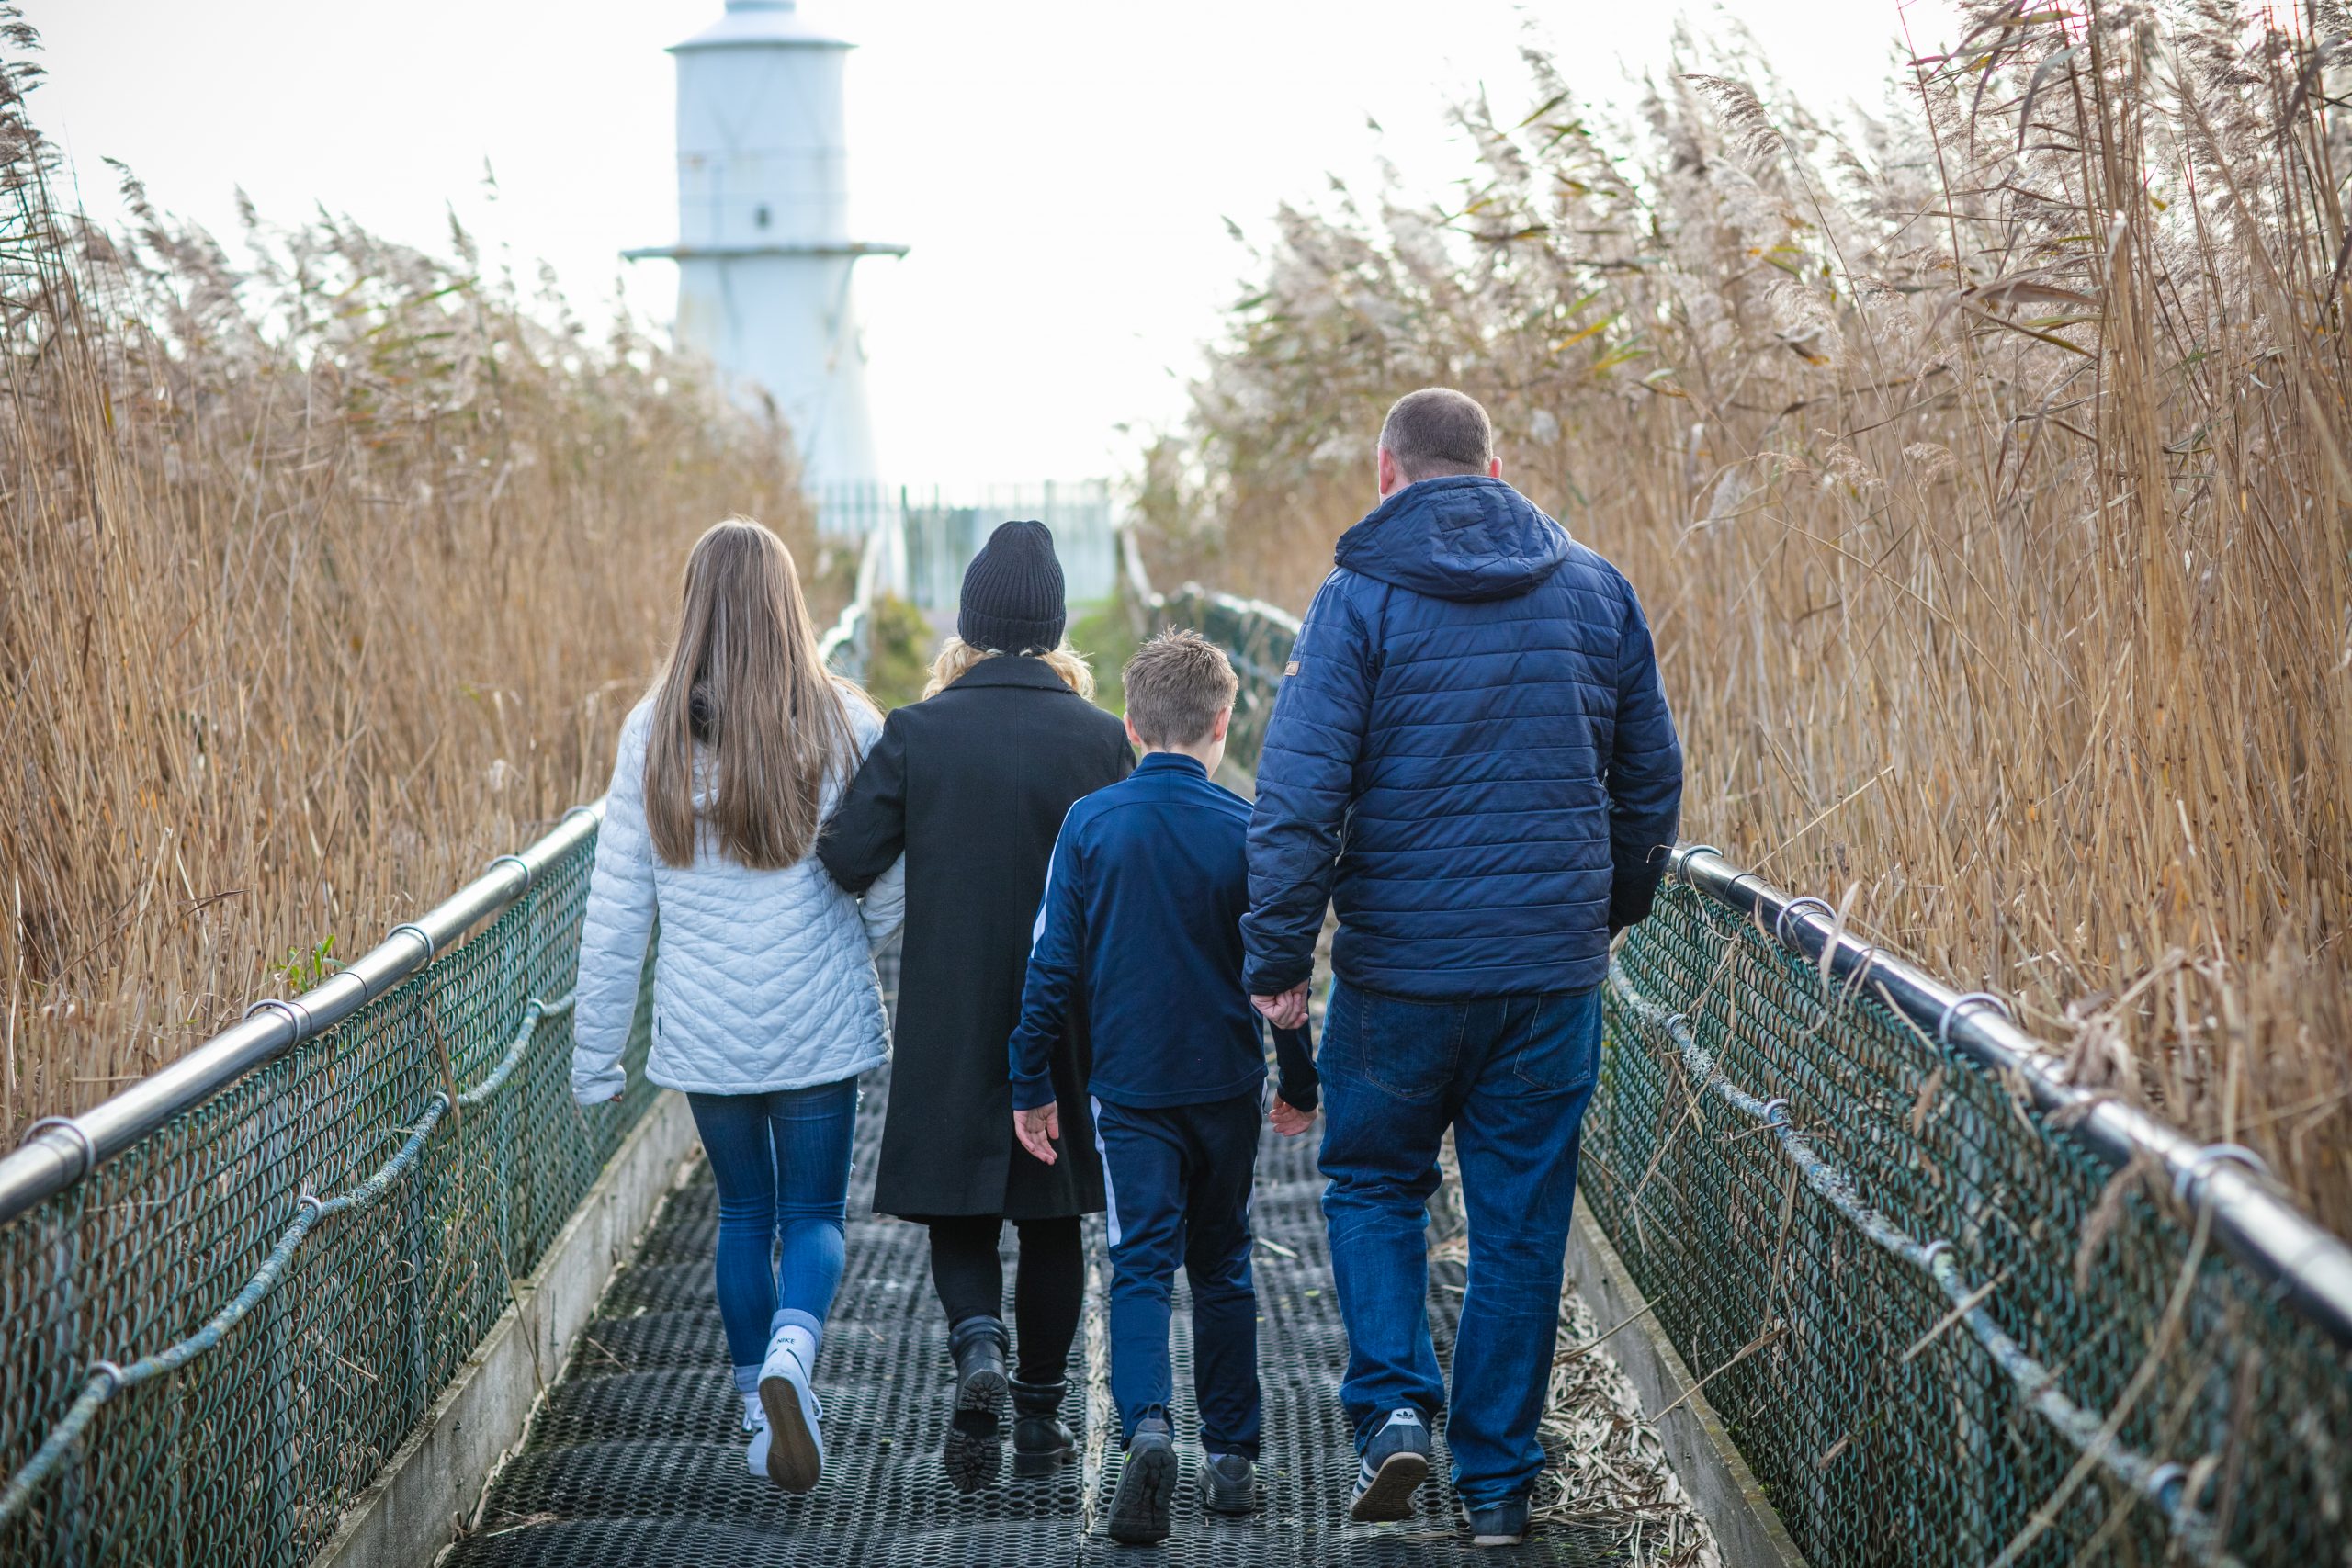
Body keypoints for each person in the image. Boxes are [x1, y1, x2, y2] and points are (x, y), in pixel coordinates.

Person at [1242, 388, 1683, 1548]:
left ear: (1384, 472)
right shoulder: (1595, 588)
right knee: (1521, 1219)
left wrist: (1277, 956)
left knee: (1375, 1183)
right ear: (1496, 464)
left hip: (1397, 974)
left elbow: (1297, 796)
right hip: (1549, 975)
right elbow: (1652, 784)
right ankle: (1497, 1482)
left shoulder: (1358, 600)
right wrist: (1607, 912)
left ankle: (1392, 1408)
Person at [570, 517, 905, 1495]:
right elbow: (885, 880)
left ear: (695, 605)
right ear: (788, 605)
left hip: (706, 1029)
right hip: (818, 1018)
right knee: (813, 1215)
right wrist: (863, 942)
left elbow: (616, 906)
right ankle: (795, 1354)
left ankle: (757, 1418)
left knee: (741, 1212)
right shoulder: (847, 721)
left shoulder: (650, 731)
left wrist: (596, 1060)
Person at [819, 520, 1134, 1493]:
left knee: (959, 1208)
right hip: (1066, 1011)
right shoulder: (1100, 740)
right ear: (1054, 629)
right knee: (1053, 1215)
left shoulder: (920, 731)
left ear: (968, 623)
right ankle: (1041, 1429)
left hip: (949, 1007)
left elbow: (845, 857)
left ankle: (977, 1350)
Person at [1005, 629, 1320, 1546]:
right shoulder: (1246, 828)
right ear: (1223, 724)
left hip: (1130, 1088)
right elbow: (1283, 978)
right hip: (1224, 1083)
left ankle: (1147, 1425)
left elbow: (1050, 966)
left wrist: (1031, 1079)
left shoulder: (1091, 825)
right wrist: (1298, 1079)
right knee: (1223, 1261)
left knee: (1138, 1259)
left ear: (1133, 726)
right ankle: (1232, 1459)